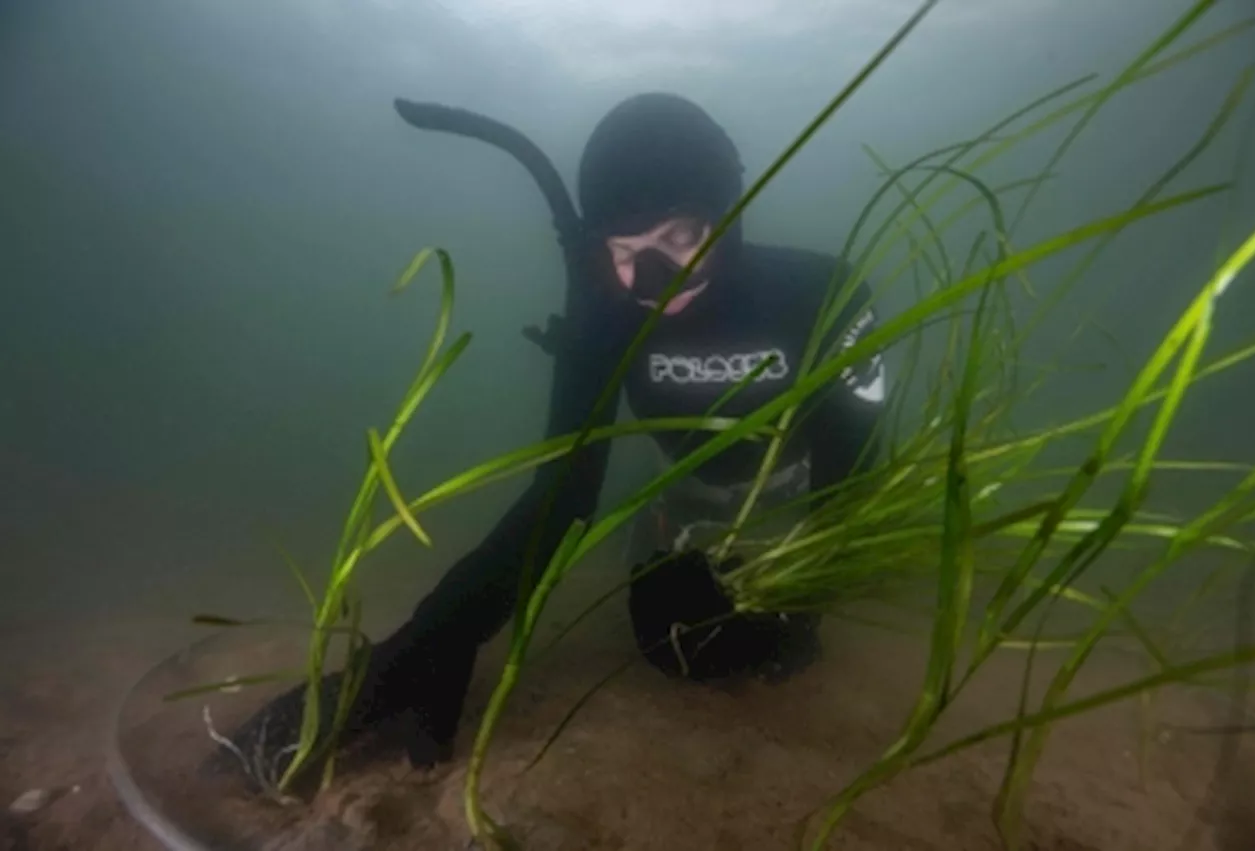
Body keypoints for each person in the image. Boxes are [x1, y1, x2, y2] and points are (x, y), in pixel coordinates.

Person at [231, 92, 886, 774]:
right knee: (671, 638)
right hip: (691, 503)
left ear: (729, 215)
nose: (655, 282)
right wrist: (425, 647)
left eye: (682, 237)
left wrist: (807, 602)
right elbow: (563, 496)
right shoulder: (605, 314)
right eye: (626, 249)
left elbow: (857, 473)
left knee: (748, 650)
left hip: (798, 507)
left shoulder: (820, 295)